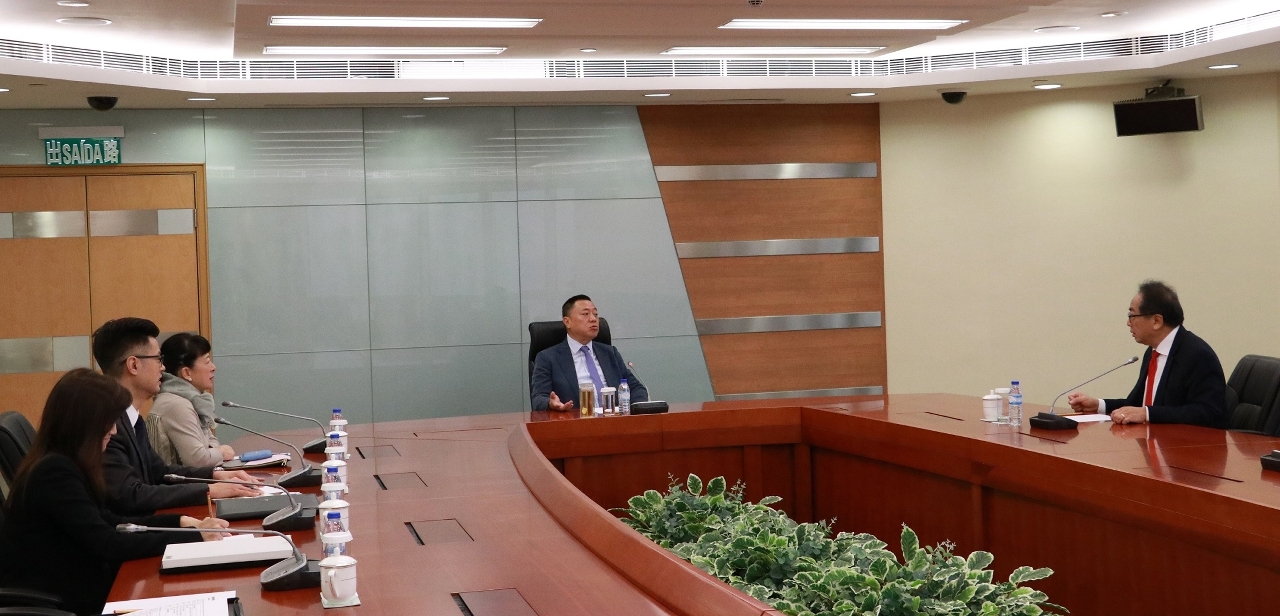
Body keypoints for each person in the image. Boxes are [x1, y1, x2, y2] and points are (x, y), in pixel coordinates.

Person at [0, 369, 229, 616]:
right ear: (85, 422)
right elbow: (108, 543)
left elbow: (111, 521)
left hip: (87, 586)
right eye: (109, 421)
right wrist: (193, 536)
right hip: (70, 601)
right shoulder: (55, 472)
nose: (114, 431)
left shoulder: (67, 462)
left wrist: (180, 523)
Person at [92, 317, 260, 515]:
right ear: (134, 365)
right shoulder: (107, 426)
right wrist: (209, 490)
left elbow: (160, 473)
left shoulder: (132, 419)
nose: (163, 368)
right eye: (158, 359)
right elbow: (131, 495)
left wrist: (215, 475)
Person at [1068, 280, 1227, 428]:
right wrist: (1098, 405)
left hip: (1188, 446)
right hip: (1154, 441)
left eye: (1132, 316)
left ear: (1156, 321)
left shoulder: (1197, 355)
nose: (1128, 323)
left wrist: (1147, 413)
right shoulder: (1153, 352)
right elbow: (1137, 404)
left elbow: (1209, 412)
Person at [531, 294, 648, 411]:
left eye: (595, 314)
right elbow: (538, 398)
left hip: (614, 418)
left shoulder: (610, 353)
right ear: (567, 322)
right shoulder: (547, 358)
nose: (593, 319)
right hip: (575, 420)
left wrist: (634, 409)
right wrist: (550, 403)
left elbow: (636, 387)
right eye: (585, 314)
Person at [148, 333, 235, 467]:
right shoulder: (176, 404)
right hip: (177, 480)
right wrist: (221, 452)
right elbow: (198, 460)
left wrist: (213, 452)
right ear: (187, 373)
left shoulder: (193, 400)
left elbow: (211, 442)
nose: (213, 367)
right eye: (207, 362)